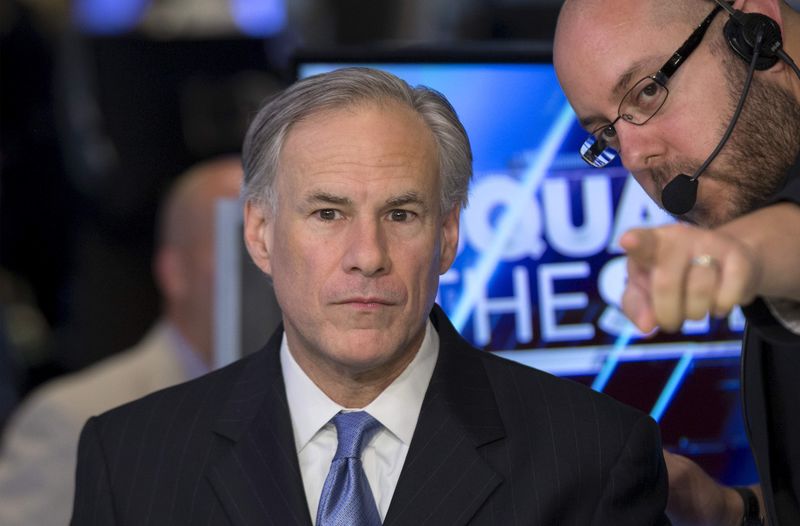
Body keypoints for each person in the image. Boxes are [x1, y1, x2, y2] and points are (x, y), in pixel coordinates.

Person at [70, 67, 670, 525]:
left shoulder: (596, 457)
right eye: (328, 212)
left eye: (402, 214)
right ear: (259, 234)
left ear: (448, 235)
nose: (368, 254)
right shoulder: (129, 460)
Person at [553, 1, 800, 525]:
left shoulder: (750, 250)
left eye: (647, 90)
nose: (634, 156)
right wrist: (734, 511)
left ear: (757, 31)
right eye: (607, 133)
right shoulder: (756, 199)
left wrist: (743, 254)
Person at [0, 156, 242, 526]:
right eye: (238, 245)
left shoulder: (326, 407)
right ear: (175, 272)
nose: (267, 269)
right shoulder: (77, 421)